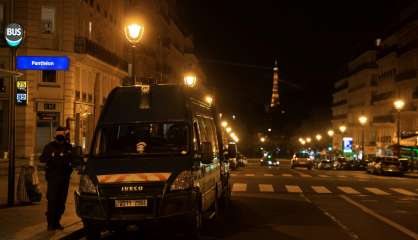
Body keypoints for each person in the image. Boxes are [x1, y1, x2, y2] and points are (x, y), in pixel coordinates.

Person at [40, 126, 73, 231]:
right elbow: (42, 159)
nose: (62, 137)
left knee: (61, 202)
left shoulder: (69, 147)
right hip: (53, 179)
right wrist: (52, 155)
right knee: (52, 201)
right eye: (61, 135)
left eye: (64, 135)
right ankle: (51, 223)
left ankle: (57, 221)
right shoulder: (49, 147)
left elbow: (75, 160)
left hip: (64, 179)